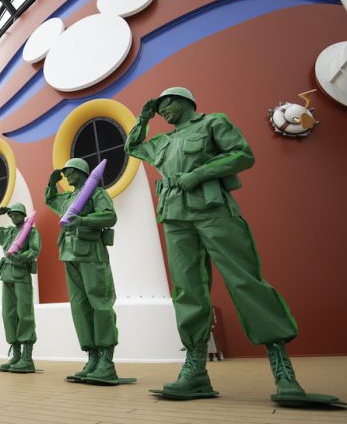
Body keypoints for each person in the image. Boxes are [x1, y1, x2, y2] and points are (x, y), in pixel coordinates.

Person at [125, 86, 340, 405]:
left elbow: (242, 155)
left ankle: (283, 372)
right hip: (174, 216)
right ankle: (195, 371)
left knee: (245, 282)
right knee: (187, 291)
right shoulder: (163, 141)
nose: (162, 111)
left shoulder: (213, 123)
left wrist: (200, 173)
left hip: (213, 210)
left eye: (166, 104)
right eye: (158, 108)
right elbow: (132, 147)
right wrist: (143, 119)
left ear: (184, 101)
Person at [45, 158, 134, 386]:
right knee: (80, 307)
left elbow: (110, 216)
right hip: (69, 255)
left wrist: (83, 220)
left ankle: (106, 362)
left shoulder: (96, 193)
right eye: (65, 172)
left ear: (82, 172)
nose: (67, 176)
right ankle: (92, 358)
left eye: (70, 172)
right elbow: (52, 201)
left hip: (91, 253)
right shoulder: (68, 198)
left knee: (100, 303)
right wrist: (51, 183)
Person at [0, 203, 40, 373]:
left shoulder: (30, 231)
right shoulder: (7, 232)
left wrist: (19, 257)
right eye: (11, 215)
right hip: (7, 275)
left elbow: (35, 250)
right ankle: (16, 354)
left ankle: (27, 357)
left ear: (23, 215)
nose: (13, 217)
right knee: (8, 315)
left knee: (24, 314)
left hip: (21, 275)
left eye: (16, 214)